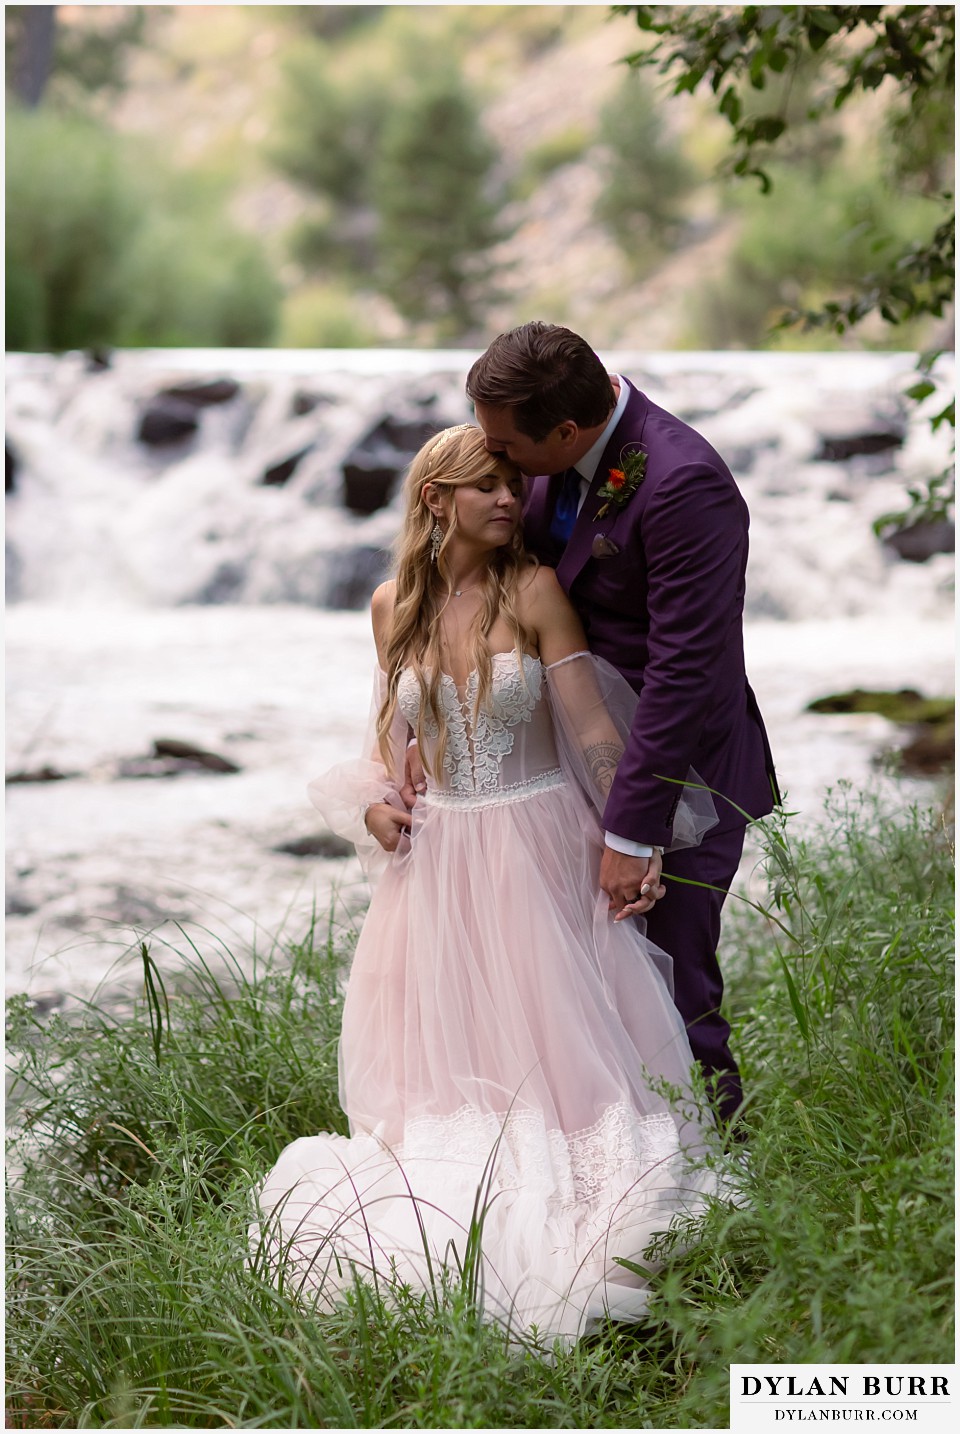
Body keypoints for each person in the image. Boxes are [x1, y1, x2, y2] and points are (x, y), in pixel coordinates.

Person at [251, 425, 721, 1345]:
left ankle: (590, 1194)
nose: (513, 499)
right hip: (437, 865)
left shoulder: (537, 590)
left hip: (540, 839)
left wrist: (638, 836)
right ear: (437, 500)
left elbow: (589, 727)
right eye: (490, 486)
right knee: (451, 1056)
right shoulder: (394, 607)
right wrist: (379, 804)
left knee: (563, 1039)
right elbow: (394, 735)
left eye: (515, 483)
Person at [464, 323, 780, 1129]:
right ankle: (616, 1161)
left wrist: (632, 833)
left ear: (566, 432)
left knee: (671, 979)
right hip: (556, 769)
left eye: (501, 442)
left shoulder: (682, 485)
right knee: (585, 984)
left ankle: (722, 1170)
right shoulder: (543, 465)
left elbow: (686, 673)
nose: (487, 454)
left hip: (678, 781)